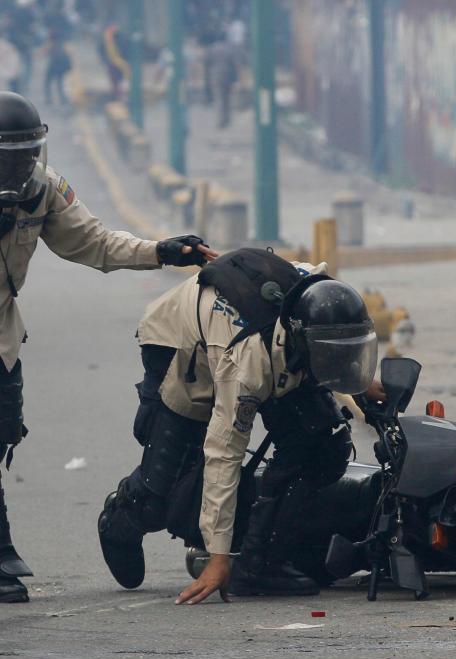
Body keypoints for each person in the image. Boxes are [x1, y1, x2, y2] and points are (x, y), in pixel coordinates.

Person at [0, 91, 218, 604]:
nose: (17, 168)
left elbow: (94, 242)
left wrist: (160, 251)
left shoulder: (46, 190)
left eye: (27, 155)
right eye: (5, 157)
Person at [98, 248, 384, 602]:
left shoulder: (317, 301)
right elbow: (224, 453)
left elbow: (334, 345)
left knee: (321, 444)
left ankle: (261, 562)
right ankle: (122, 515)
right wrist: (218, 560)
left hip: (274, 346)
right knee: (168, 490)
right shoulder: (247, 365)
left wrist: (359, 378)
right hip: (181, 344)